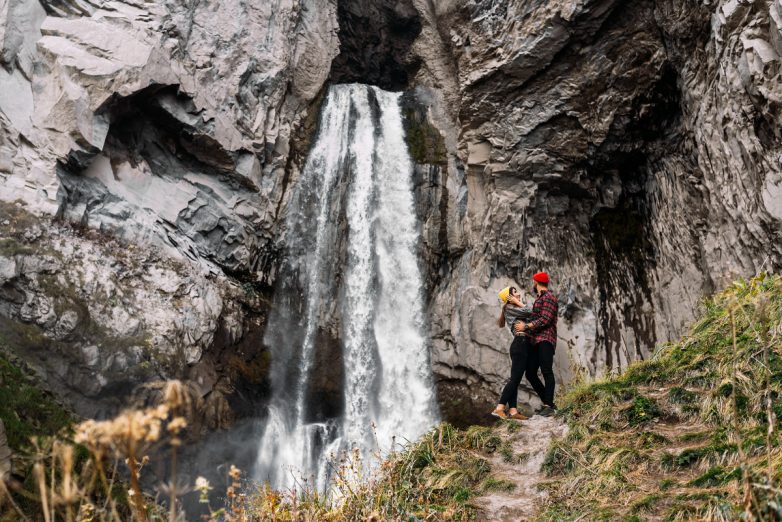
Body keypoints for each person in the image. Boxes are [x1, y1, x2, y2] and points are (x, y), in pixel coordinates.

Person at [515, 271, 558, 417]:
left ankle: (549, 406)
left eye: (533, 281)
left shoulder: (549, 297)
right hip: (536, 341)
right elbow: (537, 319)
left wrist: (526, 327)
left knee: (546, 370)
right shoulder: (539, 298)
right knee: (530, 373)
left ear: (536, 282)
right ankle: (548, 403)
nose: (532, 284)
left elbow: (545, 319)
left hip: (546, 340)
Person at [491, 286, 533, 420]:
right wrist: (518, 302)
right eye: (515, 293)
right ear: (509, 298)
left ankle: (513, 411)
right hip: (520, 343)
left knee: (516, 378)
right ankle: (499, 408)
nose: (518, 294)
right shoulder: (510, 308)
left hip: (522, 344)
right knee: (515, 379)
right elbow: (530, 311)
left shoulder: (512, 309)